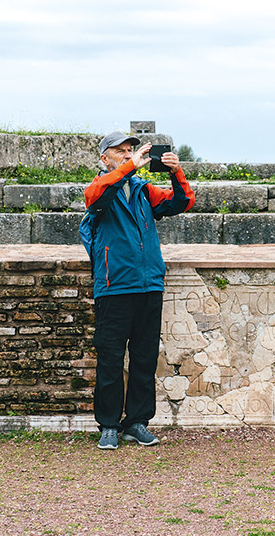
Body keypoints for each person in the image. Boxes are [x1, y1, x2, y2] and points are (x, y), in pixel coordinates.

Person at [79, 130, 195, 450]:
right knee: (110, 359)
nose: (128, 154)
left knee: (144, 358)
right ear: (104, 158)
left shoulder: (143, 190)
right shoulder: (100, 187)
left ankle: (137, 423)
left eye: (130, 149)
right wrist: (130, 166)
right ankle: (109, 425)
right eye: (120, 151)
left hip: (148, 284)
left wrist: (176, 172)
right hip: (114, 286)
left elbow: (183, 202)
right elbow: (94, 197)